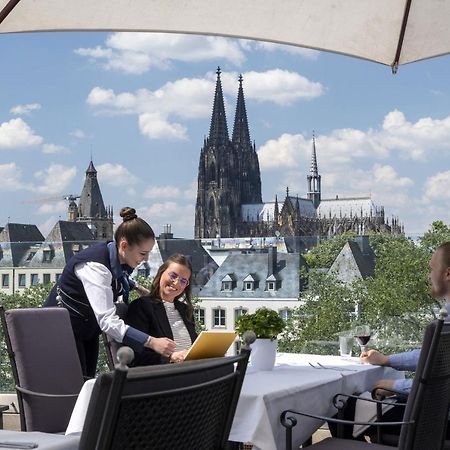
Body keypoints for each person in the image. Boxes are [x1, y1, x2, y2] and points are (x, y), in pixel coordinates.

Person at [44, 207, 176, 377]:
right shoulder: (95, 267)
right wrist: (151, 342)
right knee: (74, 388)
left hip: (85, 329)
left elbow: (119, 277)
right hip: (61, 332)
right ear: (124, 245)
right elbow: (107, 320)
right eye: (143, 253)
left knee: (87, 383)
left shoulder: (115, 256)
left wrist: (137, 288)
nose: (146, 259)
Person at [125, 253, 197, 366]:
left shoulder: (185, 310)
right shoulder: (141, 307)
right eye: (173, 275)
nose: (176, 282)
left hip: (189, 369)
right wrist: (171, 358)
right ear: (161, 273)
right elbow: (134, 355)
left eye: (183, 281)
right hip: (162, 373)